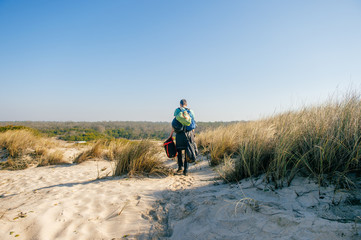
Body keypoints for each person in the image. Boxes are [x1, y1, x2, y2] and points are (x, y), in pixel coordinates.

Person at [173, 99, 196, 176]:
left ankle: (180, 168)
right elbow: (193, 123)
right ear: (186, 104)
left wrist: (171, 133)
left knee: (179, 151)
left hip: (179, 133)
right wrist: (193, 134)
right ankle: (185, 170)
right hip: (188, 133)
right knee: (187, 151)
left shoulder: (177, 110)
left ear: (180, 104)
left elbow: (175, 123)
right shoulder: (191, 111)